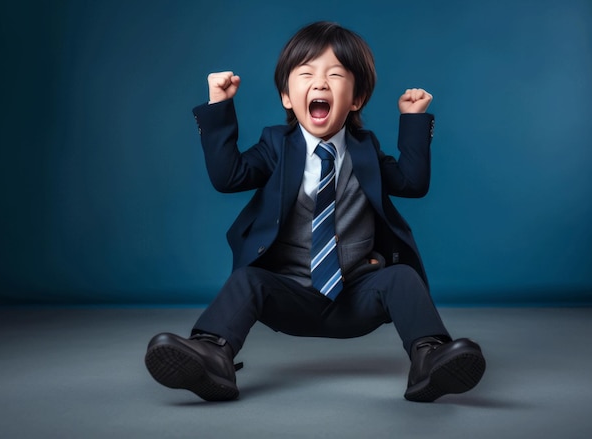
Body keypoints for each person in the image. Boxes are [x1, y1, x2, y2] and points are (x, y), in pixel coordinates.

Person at [144, 21, 485, 403]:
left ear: (356, 99)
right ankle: (211, 355)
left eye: (335, 75)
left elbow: (412, 184)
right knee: (247, 281)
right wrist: (219, 105)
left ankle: (429, 360)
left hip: (357, 297)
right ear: (288, 97)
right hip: (287, 295)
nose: (320, 83)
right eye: (306, 74)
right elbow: (229, 177)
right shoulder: (275, 145)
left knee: (403, 278)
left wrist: (414, 119)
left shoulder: (366, 148)